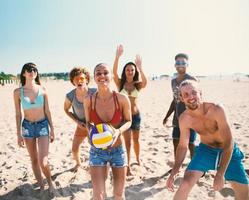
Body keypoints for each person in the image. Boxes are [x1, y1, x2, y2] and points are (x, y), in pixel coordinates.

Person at [166, 80, 249, 200]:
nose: (191, 97)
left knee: (244, 193)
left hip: (227, 150)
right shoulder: (184, 118)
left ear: (200, 93)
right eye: (186, 95)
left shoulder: (216, 110)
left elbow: (229, 143)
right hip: (206, 151)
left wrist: (220, 174)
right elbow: (183, 146)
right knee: (185, 183)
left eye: (194, 92)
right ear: (181, 99)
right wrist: (174, 171)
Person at [84, 63, 132, 200]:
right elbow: (88, 122)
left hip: (118, 150)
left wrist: (117, 132)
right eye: (98, 73)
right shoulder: (89, 100)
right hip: (97, 151)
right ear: (94, 77)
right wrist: (90, 132)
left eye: (105, 73)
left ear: (111, 75)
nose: (102, 76)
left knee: (119, 195)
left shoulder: (122, 99)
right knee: (98, 195)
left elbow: (129, 121)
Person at [13, 63, 55, 193]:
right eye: (29, 69)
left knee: (43, 161)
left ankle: (50, 182)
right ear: (24, 73)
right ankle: (41, 185)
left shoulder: (42, 89)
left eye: (34, 69)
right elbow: (18, 114)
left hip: (42, 126)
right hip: (27, 127)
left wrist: (52, 129)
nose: (32, 71)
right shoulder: (17, 92)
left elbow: (47, 111)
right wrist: (18, 134)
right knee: (34, 159)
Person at [113, 44, 147, 176]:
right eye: (128, 70)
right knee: (127, 142)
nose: (130, 72)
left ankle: (138, 159)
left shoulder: (137, 84)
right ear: (125, 71)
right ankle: (127, 166)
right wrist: (117, 57)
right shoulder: (120, 83)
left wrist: (140, 67)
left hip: (136, 115)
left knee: (136, 140)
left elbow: (145, 82)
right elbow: (114, 73)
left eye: (132, 70)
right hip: (124, 118)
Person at [163, 53, 197, 161]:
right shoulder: (173, 81)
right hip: (177, 118)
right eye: (178, 63)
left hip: (191, 118)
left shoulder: (192, 79)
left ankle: (194, 167)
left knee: (191, 144)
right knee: (176, 142)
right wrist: (167, 116)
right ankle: (177, 165)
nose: (180, 65)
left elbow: (198, 100)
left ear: (187, 64)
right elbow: (175, 100)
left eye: (183, 62)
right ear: (175, 65)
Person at [64, 67, 96, 171]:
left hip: (95, 126)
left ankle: (96, 166)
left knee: (96, 148)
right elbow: (66, 110)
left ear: (86, 79)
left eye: (81, 78)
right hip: (81, 126)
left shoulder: (95, 92)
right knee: (74, 149)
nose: (79, 81)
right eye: (76, 79)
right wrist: (77, 122)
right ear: (72, 81)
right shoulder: (70, 95)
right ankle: (78, 164)